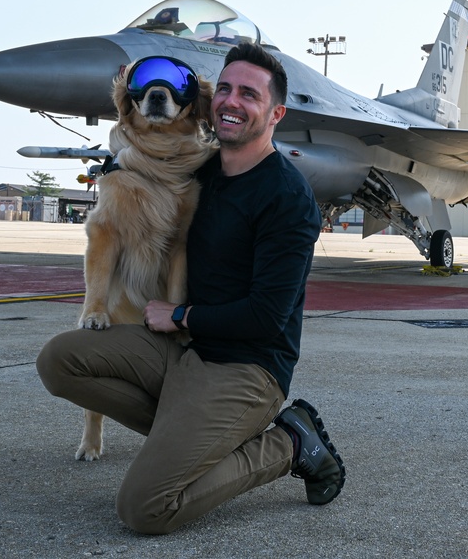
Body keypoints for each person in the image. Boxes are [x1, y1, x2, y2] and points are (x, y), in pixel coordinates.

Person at [36, 42, 343, 535]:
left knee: (145, 508)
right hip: (183, 350)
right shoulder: (198, 170)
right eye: (224, 88)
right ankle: (187, 437)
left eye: (249, 93)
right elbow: (142, 163)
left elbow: (267, 316)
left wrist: (180, 317)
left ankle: (288, 443)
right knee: (59, 360)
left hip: (244, 367)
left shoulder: (287, 198)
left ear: (276, 113)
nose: (231, 101)